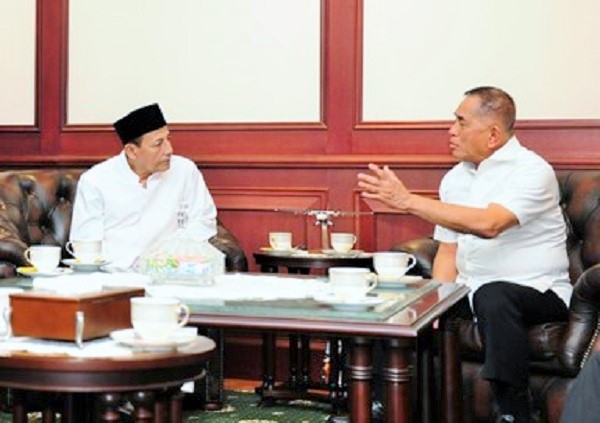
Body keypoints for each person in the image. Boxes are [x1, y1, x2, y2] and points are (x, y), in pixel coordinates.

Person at [357, 87, 572, 422]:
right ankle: (382, 405)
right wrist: (432, 302)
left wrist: (407, 201)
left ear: (493, 135)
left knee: (494, 294)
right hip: (471, 293)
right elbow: (448, 250)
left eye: (460, 121)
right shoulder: (455, 178)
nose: (451, 130)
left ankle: (513, 414)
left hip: (538, 292)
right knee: (398, 297)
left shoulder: (532, 170)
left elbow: (490, 224)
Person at [70, 103, 217, 268]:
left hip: (172, 271)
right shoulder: (96, 181)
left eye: (168, 139)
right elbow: (86, 243)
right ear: (132, 151)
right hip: (115, 276)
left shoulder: (185, 170)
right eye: (158, 144)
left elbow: (203, 221)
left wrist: (174, 257)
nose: (169, 149)